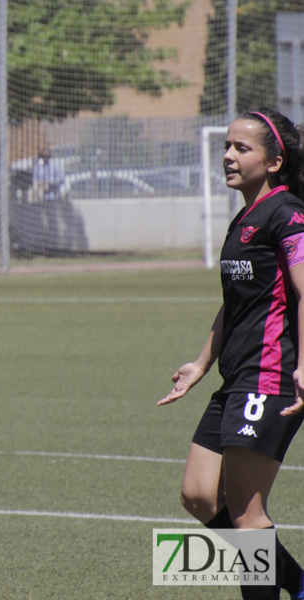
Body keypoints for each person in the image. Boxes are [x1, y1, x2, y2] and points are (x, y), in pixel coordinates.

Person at [158, 108, 304, 600]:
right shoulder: (245, 215)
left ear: (276, 161)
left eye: (242, 148)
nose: (228, 156)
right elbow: (236, 304)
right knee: (199, 495)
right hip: (236, 378)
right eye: (227, 146)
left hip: (270, 376)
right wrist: (200, 364)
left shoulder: (288, 213)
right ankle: (298, 581)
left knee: (246, 515)